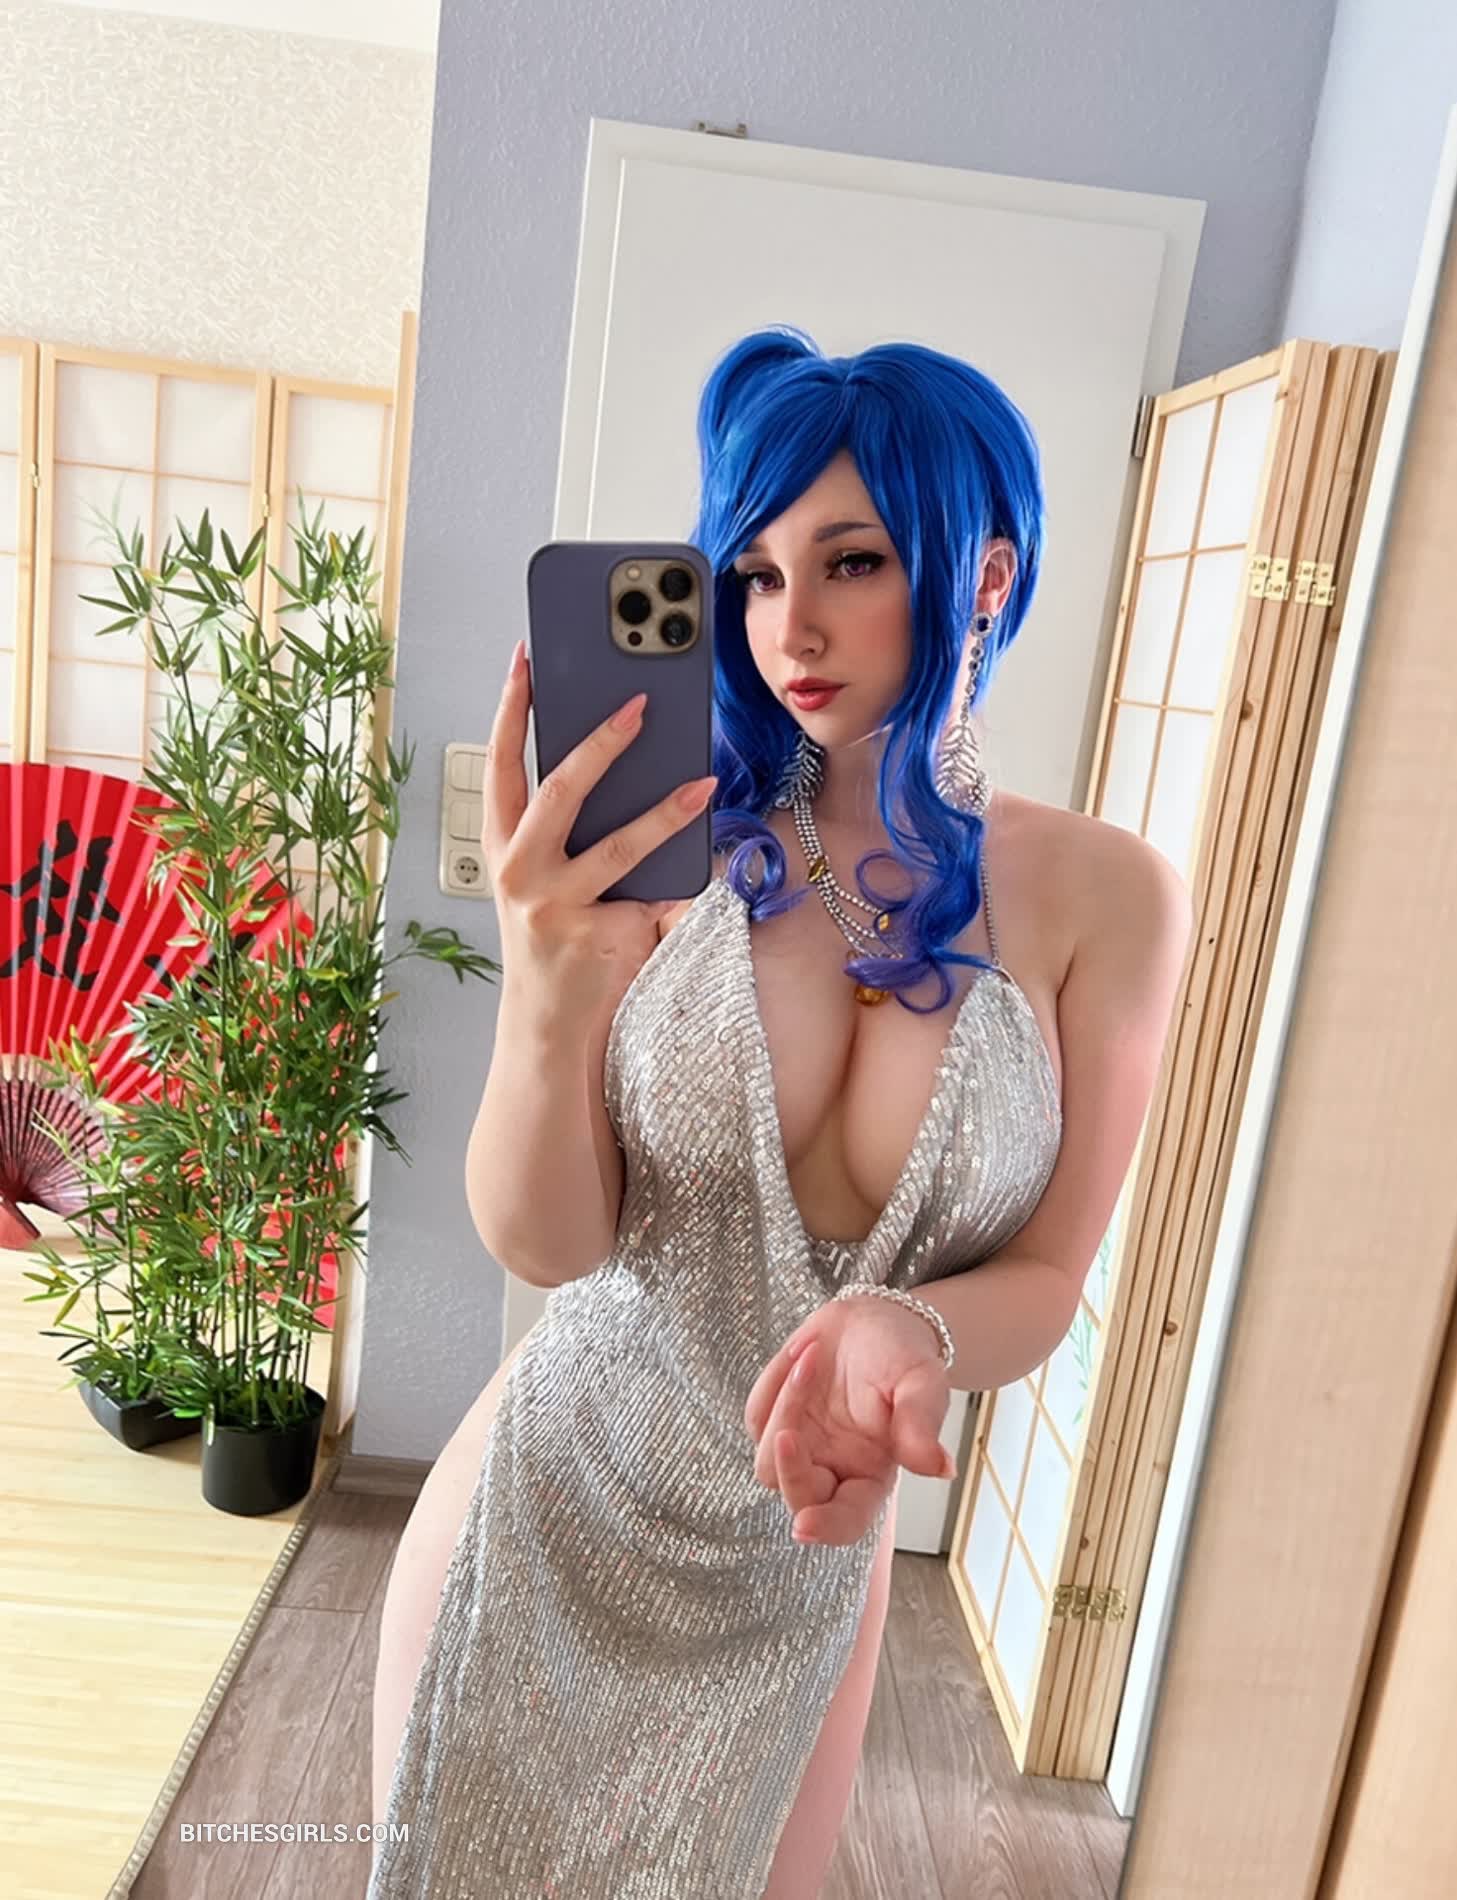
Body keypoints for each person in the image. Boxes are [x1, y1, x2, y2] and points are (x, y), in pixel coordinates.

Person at [368, 325, 1077, 1899]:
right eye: (751, 574)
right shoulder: (665, 848)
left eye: (850, 561)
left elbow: (1047, 1281)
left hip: (797, 1569)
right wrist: (546, 982)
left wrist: (909, 1325)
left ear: (984, 574)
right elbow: (549, 1247)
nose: (787, 626)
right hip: (546, 1507)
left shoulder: (1103, 899)